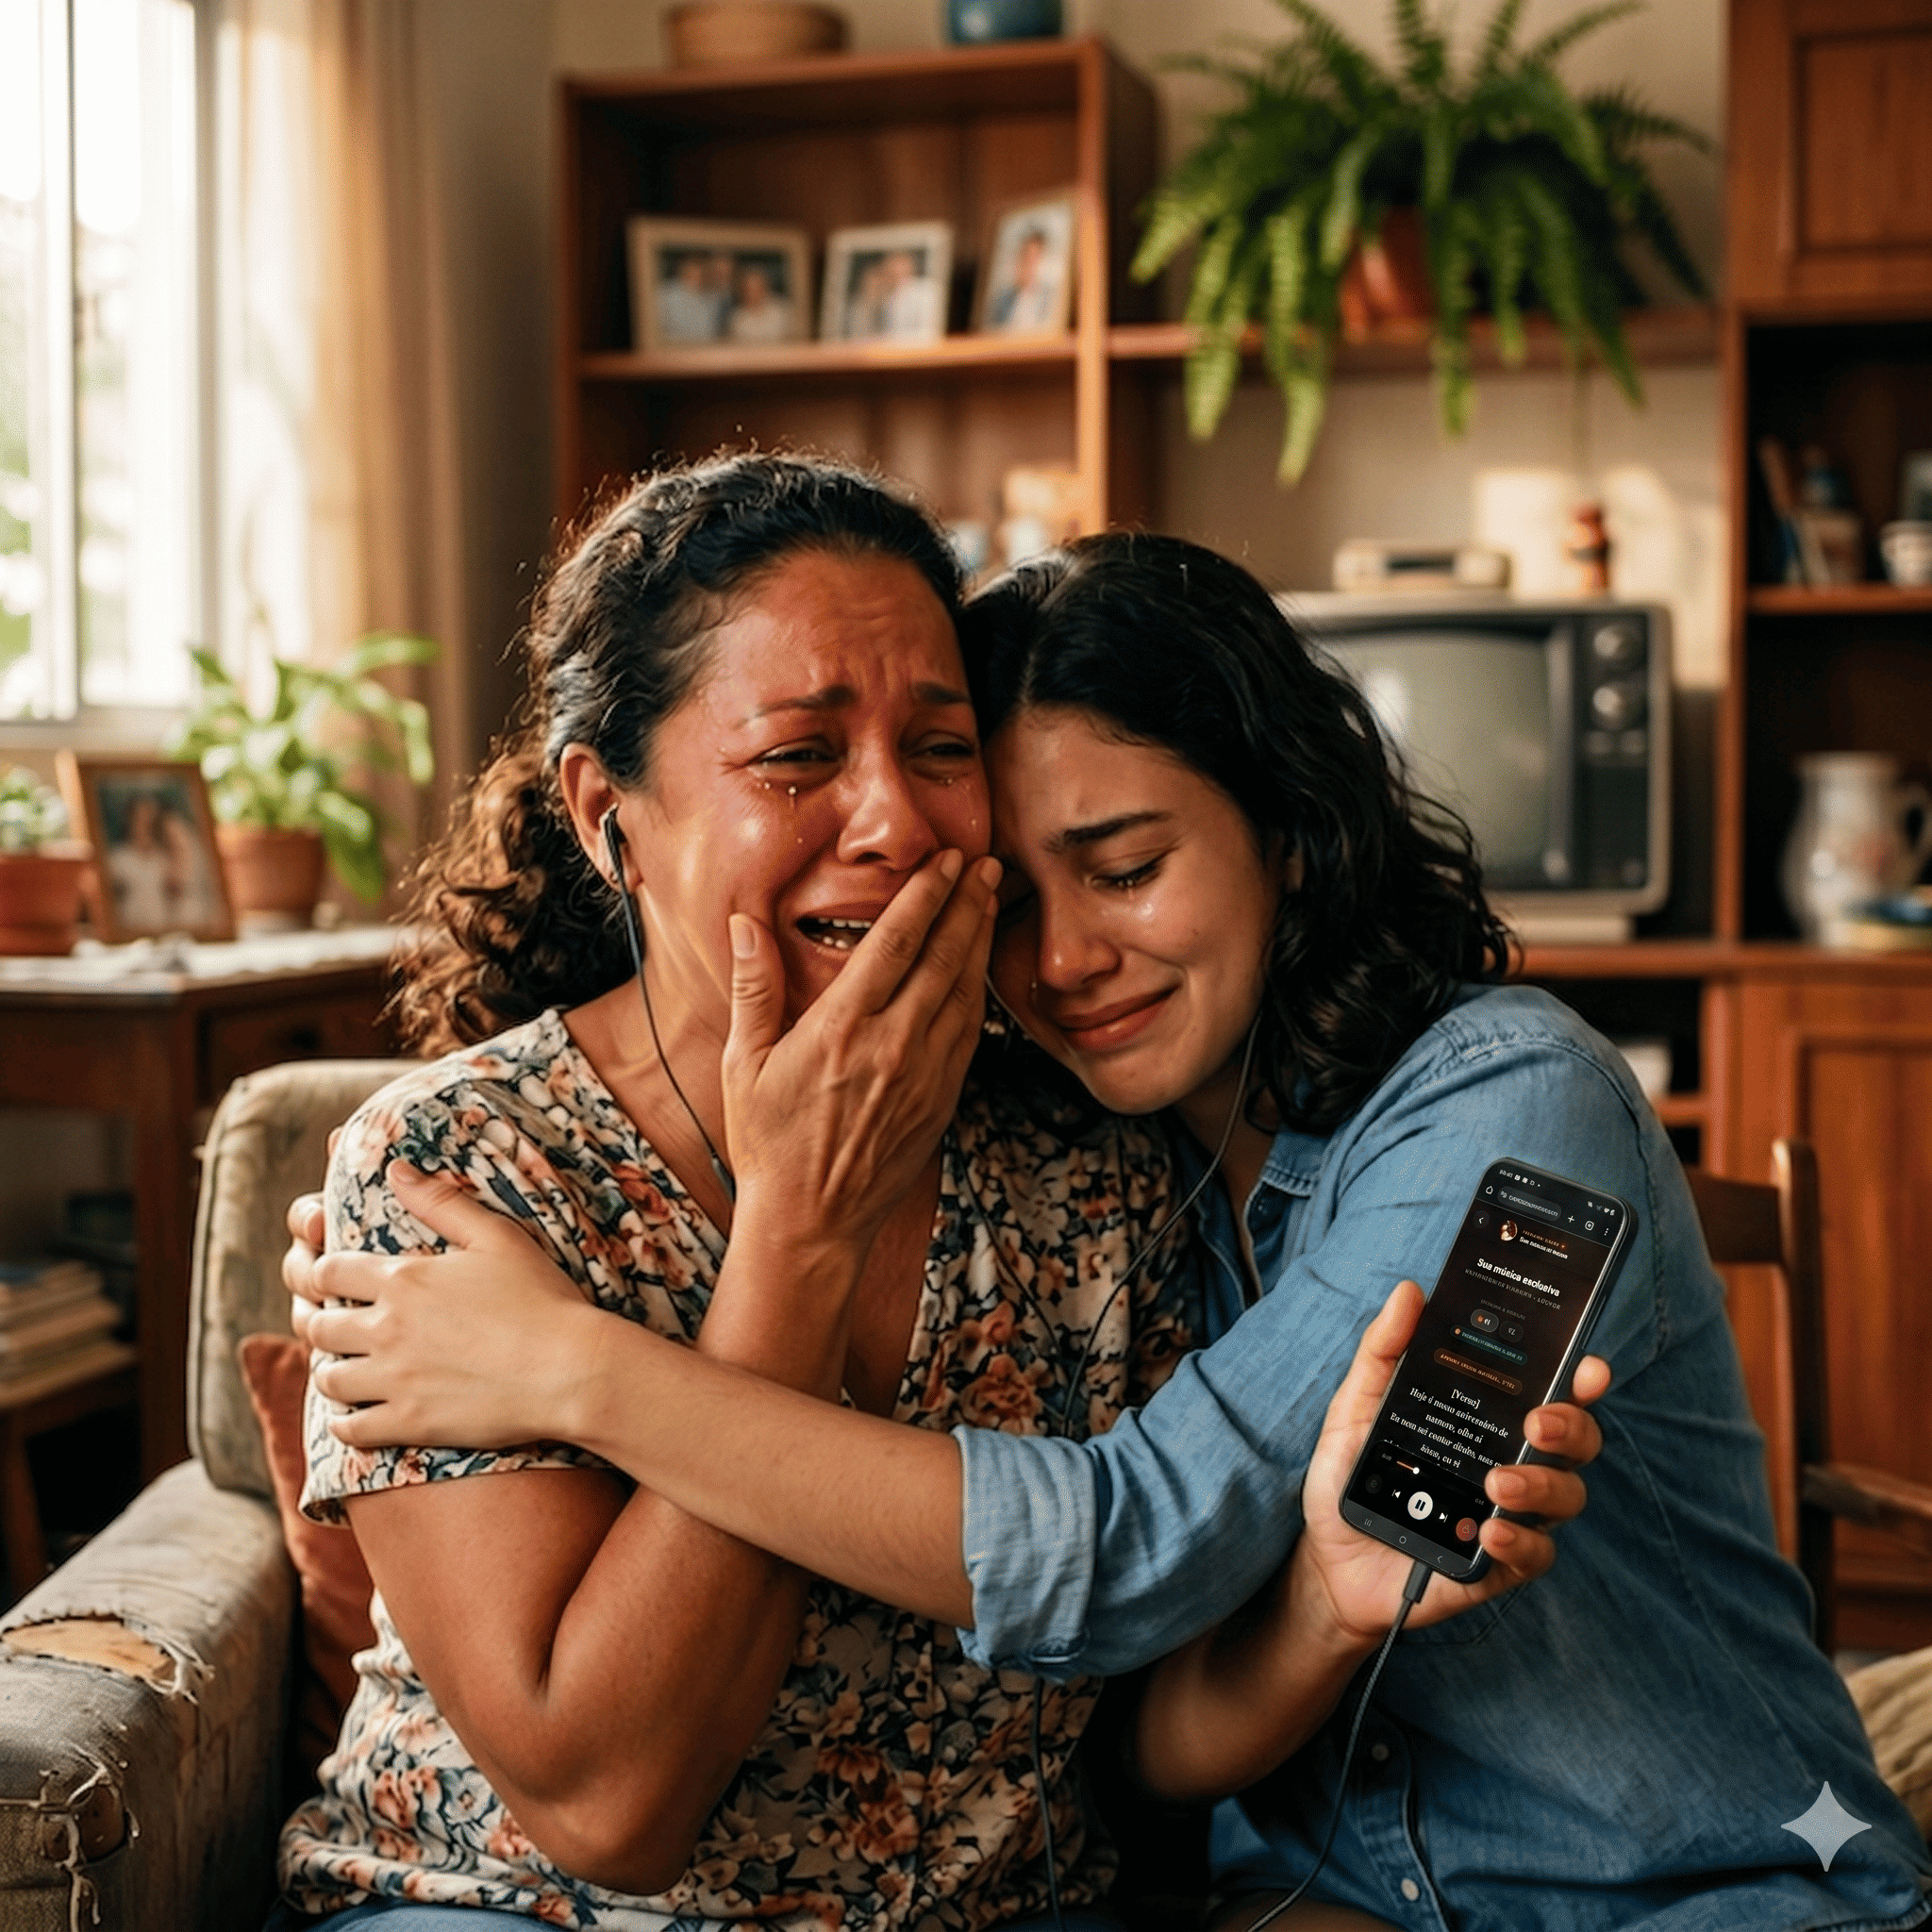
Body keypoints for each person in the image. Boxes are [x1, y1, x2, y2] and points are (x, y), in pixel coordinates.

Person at [294, 530, 1932, 1931]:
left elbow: (1126, 1549)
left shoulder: (1510, 1108)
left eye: (1129, 866)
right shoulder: (1125, 1145)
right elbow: (1141, 1733)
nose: (1066, 960)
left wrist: (574, 1370)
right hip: (1336, 1900)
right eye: (1016, 893)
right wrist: (1318, 1616)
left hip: (1690, 1889)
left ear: (1288, 834)